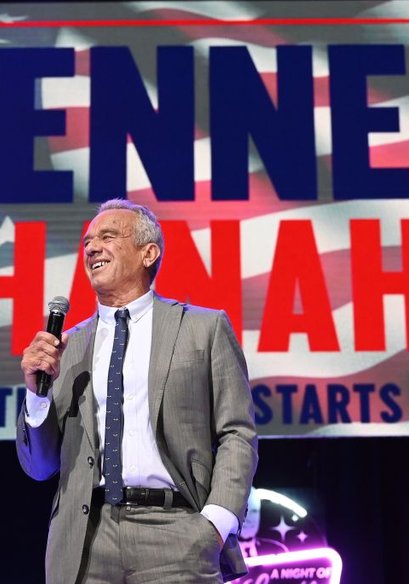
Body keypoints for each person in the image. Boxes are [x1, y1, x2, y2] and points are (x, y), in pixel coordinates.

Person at [17, 199, 258, 583]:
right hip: (85, 541)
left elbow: (237, 433)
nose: (92, 248)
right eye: (87, 242)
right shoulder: (69, 345)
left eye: (108, 236)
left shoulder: (202, 329)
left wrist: (216, 521)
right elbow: (40, 465)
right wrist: (36, 395)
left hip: (177, 530)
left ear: (149, 253)